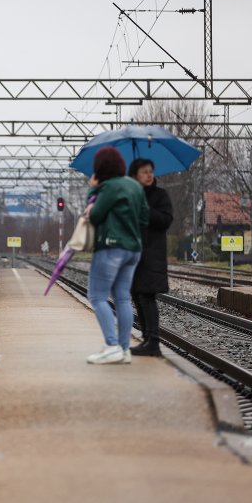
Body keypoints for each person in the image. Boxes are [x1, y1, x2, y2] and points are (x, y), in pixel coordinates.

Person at [84, 146, 149, 364]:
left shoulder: (108, 187)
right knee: (122, 298)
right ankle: (124, 349)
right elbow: (144, 219)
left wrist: (93, 190)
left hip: (111, 247)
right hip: (133, 250)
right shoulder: (135, 186)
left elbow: (94, 216)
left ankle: (112, 345)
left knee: (97, 296)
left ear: (100, 168)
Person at [128, 158, 173, 357]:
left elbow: (165, 220)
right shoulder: (130, 195)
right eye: (144, 172)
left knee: (147, 296)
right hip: (132, 254)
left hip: (152, 254)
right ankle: (146, 338)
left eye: (150, 171)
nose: (149, 175)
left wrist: (146, 210)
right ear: (135, 175)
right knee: (136, 294)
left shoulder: (159, 195)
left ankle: (153, 341)